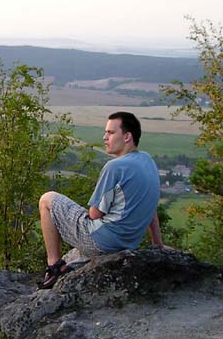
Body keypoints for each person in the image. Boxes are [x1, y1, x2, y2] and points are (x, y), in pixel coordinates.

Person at [37, 111, 164, 289]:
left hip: (104, 241)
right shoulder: (147, 160)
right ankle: (64, 268)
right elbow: (151, 207)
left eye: (111, 133)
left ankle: (53, 266)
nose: (105, 137)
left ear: (127, 136)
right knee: (73, 257)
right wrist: (158, 245)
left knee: (47, 199)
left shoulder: (115, 166)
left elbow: (95, 214)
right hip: (126, 243)